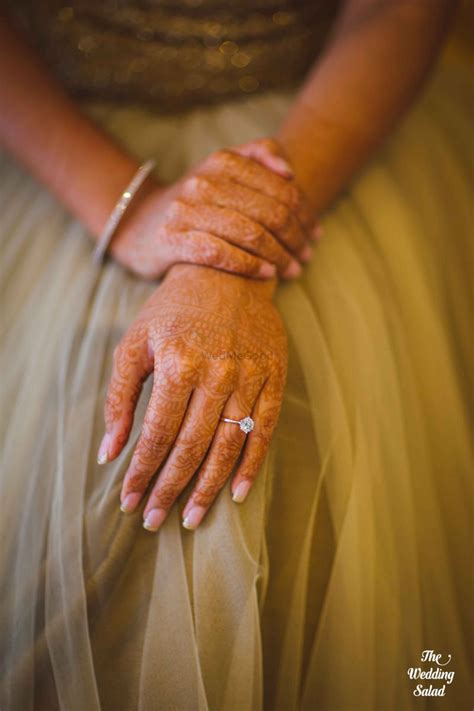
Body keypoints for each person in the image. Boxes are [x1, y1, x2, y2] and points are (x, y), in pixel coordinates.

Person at [0, 1, 472, 709]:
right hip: (58, 144)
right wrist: (131, 212)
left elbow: (403, 12)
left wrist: (231, 247)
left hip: (328, 120)